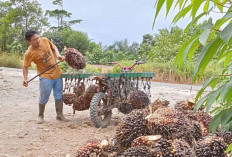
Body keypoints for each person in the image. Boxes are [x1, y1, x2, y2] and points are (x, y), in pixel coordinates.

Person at [23, 30, 68, 124]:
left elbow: (53, 46)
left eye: (38, 38)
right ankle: (40, 115)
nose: (38, 40)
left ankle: (59, 115)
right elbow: (25, 66)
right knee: (44, 97)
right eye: (34, 40)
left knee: (58, 96)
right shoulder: (29, 53)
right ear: (29, 42)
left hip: (57, 73)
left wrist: (58, 55)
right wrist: (25, 79)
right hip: (45, 76)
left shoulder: (44, 40)